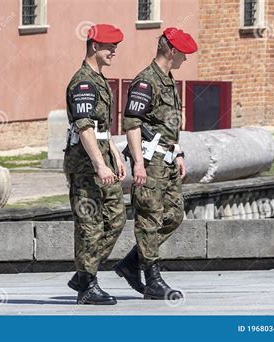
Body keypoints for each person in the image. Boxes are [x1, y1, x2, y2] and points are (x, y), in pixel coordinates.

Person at [115, 27, 198, 300]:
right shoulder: (146, 82)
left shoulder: (167, 79)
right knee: (149, 218)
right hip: (151, 163)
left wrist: (180, 152)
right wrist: (138, 162)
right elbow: (132, 123)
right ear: (171, 51)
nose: (185, 59)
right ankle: (152, 279)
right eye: (183, 54)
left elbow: (166, 125)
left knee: (174, 215)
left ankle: (130, 263)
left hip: (168, 159)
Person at [63, 24, 126, 305]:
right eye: (109, 46)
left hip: (104, 161)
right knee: (89, 225)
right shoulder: (83, 83)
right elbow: (85, 127)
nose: (114, 51)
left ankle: (83, 273)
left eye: (115, 46)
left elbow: (102, 128)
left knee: (116, 218)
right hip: (86, 167)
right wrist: (101, 165)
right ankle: (87, 287)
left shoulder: (99, 79)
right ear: (93, 47)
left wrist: (115, 152)